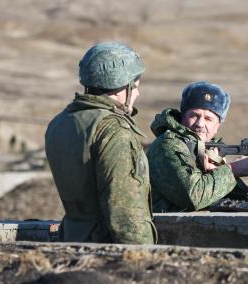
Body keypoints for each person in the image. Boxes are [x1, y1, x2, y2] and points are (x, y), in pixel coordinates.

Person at [45, 42, 156, 244]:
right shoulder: (113, 130)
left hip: (71, 241)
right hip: (107, 249)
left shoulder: (60, 122)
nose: (138, 94)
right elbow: (125, 213)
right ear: (123, 87)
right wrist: (144, 258)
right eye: (136, 87)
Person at [147, 81, 248, 212]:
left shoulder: (205, 150)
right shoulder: (168, 145)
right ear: (182, 116)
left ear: (218, 125)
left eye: (208, 119)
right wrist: (231, 170)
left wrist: (215, 172)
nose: (200, 123)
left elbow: (236, 200)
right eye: (194, 115)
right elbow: (194, 198)